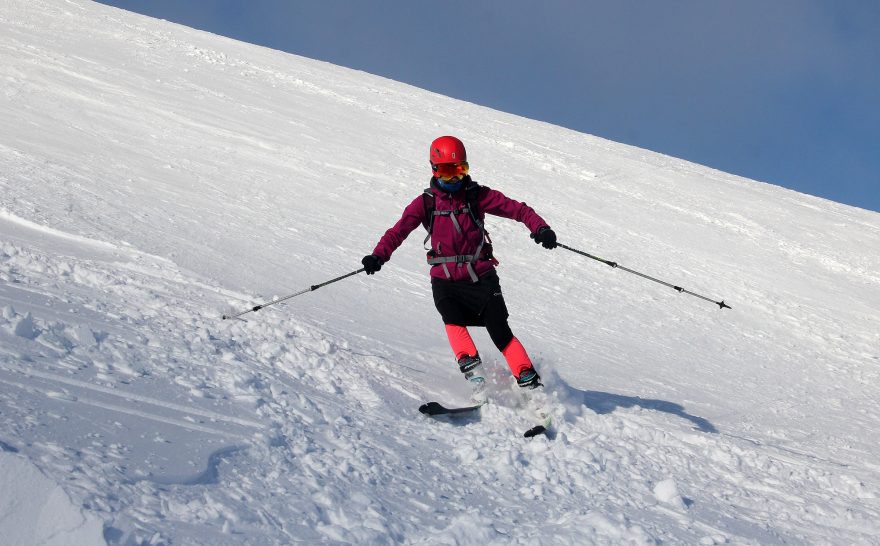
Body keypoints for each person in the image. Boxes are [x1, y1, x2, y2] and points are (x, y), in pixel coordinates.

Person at [361, 136, 557, 397]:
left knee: (500, 330)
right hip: (445, 280)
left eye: (460, 171)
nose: (455, 179)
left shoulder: (477, 196)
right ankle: (475, 377)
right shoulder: (425, 203)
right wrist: (378, 256)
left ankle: (530, 383)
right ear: (433, 169)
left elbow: (519, 210)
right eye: (446, 172)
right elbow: (398, 231)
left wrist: (541, 228)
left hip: (481, 276)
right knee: (452, 318)